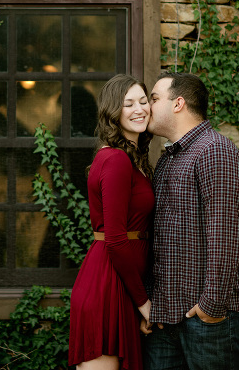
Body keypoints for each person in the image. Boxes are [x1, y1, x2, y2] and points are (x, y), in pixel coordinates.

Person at [143, 72, 239, 370]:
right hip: (167, 317)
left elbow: (226, 234)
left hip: (210, 321)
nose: (147, 106)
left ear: (178, 103)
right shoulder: (170, 158)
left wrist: (211, 307)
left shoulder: (214, 150)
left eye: (155, 99)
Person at [69, 74, 156, 370]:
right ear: (112, 113)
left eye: (144, 101)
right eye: (128, 104)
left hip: (122, 284)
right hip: (108, 286)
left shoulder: (132, 158)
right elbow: (117, 238)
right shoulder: (117, 160)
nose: (139, 109)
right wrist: (144, 304)